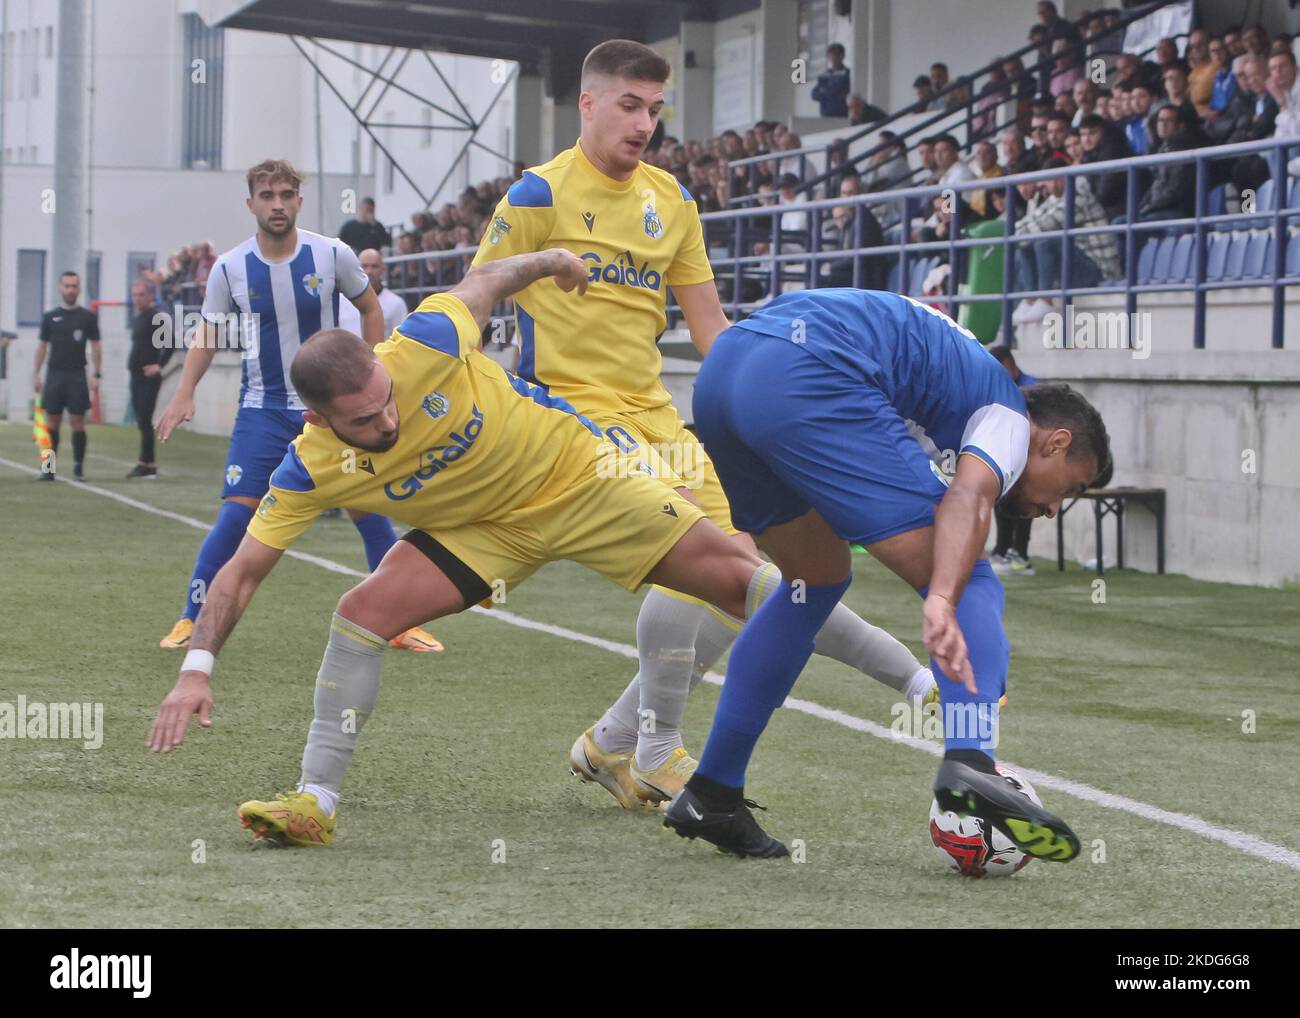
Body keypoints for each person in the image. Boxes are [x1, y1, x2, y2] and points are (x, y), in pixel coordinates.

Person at [470, 39, 937, 809]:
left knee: (739, 574)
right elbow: (477, 290)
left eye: (656, 109)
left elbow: (713, 328)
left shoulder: (674, 202)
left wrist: (764, 409)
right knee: (711, 556)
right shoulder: (535, 195)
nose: (645, 122)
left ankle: (617, 742)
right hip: (572, 415)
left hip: (656, 414)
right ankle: (664, 746)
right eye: (630, 104)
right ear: (587, 103)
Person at [662, 288, 1110, 858]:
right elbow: (968, 500)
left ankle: (713, 791)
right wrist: (943, 596)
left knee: (813, 578)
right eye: (1068, 488)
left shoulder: (958, 370)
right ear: (1056, 441)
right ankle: (971, 762)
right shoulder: (1009, 414)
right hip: (807, 371)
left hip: (726, 369)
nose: (1051, 509)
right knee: (972, 575)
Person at [154, 159, 439, 654]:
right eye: (267, 196)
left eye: (286, 194)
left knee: (367, 507)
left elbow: (370, 306)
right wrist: (184, 393)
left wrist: (375, 371)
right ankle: (190, 618)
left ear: (299, 202)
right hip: (262, 409)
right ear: (251, 204)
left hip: (329, 413)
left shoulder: (331, 254)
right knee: (236, 516)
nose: (278, 204)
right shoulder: (230, 267)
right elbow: (210, 331)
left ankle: (399, 621)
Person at [32, 271, 100, 482]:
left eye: (74, 286)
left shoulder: (87, 317)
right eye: (67, 286)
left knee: (77, 423)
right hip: (54, 375)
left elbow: (96, 346)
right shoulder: (49, 317)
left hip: (77, 375)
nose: (70, 290)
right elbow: (42, 347)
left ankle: (79, 468)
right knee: (51, 423)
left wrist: (96, 373)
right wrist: (36, 373)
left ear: (79, 289)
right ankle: (48, 468)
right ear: (60, 288)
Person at [987, 346, 1042, 576]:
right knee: (1000, 500)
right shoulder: (996, 386)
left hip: (1030, 458)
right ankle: (1001, 549)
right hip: (1005, 454)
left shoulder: (1035, 388)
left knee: (1025, 500)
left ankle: (1020, 553)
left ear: (1010, 365)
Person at [126, 279, 173, 478]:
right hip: (136, 375)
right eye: (134, 295)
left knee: (145, 420)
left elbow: (169, 344)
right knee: (141, 421)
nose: (137, 299)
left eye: (141, 295)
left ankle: (146, 463)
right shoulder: (139, 317)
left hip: (148, 377)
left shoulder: (156, 317)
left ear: (150, 296)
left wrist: (158, 365)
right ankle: (147, 463)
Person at [338, 248, 408, 339]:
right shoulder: (341, 300)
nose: (369, 271)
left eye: (374, 266)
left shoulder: (396, 303)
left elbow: (400, 339)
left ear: (382, 270)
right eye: (364, 266)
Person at [812, 43, 850, 118]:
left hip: (842, 115)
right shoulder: (824, 75)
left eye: (837, 54)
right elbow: (814, 94)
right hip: (825, 114)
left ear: (843, 56)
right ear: (828, 57)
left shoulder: (847, 73)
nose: (834, 57)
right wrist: (828, 92)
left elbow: (843, 91)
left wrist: (826, 91)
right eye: (831, 55)